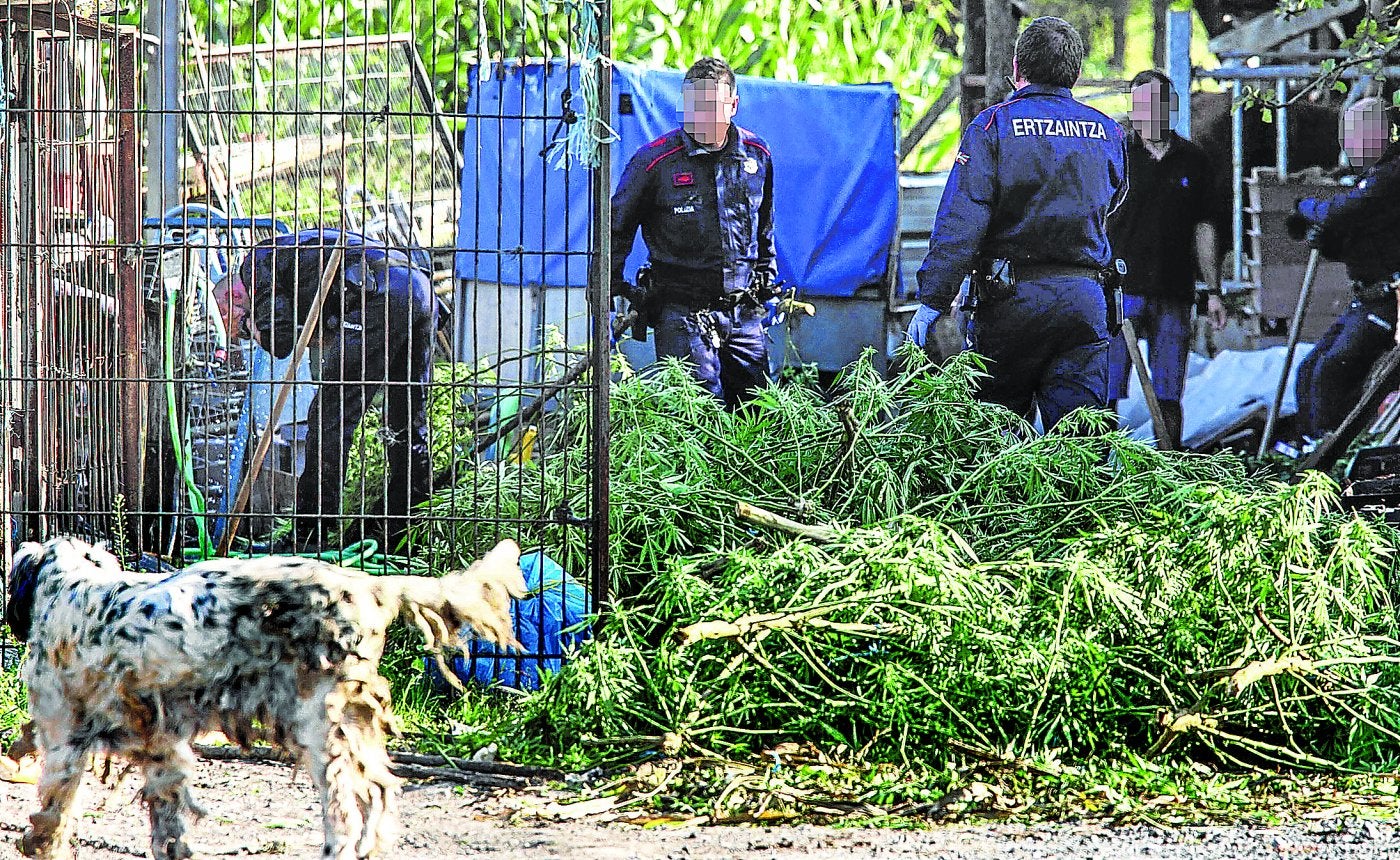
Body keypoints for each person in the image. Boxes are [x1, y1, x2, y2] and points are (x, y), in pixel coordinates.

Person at [908, 17, 1128, 430]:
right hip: (1085, 301)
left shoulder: (993, 126)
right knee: (1082, 441)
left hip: (1010, 302)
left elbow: (962, 222)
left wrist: (933, 299)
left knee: (997, 438)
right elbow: (1113, 202)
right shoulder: (1109, 132)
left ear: (1015, 68)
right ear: (1075, 73)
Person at [215, 228, 437, 551]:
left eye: (231, 326)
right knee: (406, 420)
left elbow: (279, 341)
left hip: (379, 293)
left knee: (327, 418)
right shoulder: (284, 259)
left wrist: (251, 327)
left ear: (232, 302)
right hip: (418, 289)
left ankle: (309, 535)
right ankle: (409, 527)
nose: (239, 337)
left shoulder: (255, 267)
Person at [611, 56, 778, 409]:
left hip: (743, 312)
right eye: (691, 107)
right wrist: (610, 289)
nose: (698, 117)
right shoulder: (653, 162)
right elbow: (615, 230)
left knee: (760, 414)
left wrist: (766, 275)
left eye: (709, 107)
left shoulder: (757, 155)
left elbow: (765, 227)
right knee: (697, 419)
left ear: (732, 105)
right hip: (680, 311)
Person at [1106, 70, 1226, 451]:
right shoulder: (1117, 156)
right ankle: (1093, 468)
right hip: (1121, 291)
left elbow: (1204, 229)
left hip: (1174, 290)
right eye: (1143, 105)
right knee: (1104, 390)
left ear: (1171, 107)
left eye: (1159, 103)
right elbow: (1093, 218)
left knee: (1169, 392)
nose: (1151, 113)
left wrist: (1213, 290)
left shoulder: (1194, 159)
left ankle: (1168, 466)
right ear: (1133, 110)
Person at [1288, 96, 1400, 442]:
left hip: (1391, 303)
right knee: (1308, 371)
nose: (1348, 144)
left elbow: (1345, 211)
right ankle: (1310, 447)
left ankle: (1333, 454)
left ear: (1379, 134)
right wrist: (1325, 240)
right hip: (1366, 298)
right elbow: (1357, 238)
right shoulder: (1369, 177)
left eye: (1355, 135)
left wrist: (1307, 206)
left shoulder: (1390, 176)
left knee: (1332, 371)